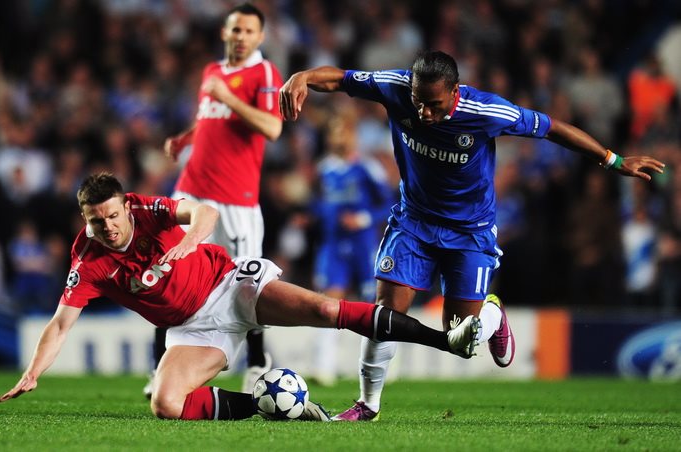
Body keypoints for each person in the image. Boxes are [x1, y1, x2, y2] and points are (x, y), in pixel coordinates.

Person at [279, 50, 666, 421]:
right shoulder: (394, 86)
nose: (424, 113)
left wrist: (612, 159)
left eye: (434, 105)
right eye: (418, 102)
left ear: (454, 91)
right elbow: (340, 78)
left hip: (469, 232)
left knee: (458, 337)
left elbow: (552, 128)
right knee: (386, 311)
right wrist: (303, 77)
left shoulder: (486, 111)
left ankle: (493, 316)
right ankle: (368, 404)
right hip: (413, 222)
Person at [0, 172, 481, 421]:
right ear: (85, 220)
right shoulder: (87, 260)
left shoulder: (146, 210)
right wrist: (33, 373)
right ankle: (279, 407)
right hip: (192, 329)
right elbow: (61, 323)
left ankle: (446, 340)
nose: (107, 226)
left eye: (112, 215)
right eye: (95, 220)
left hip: (231, 287)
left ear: (124, 207)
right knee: (166, 403)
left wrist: (189, 241)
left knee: (325, 309)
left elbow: (205, 212)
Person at [157, 3, 283, 395]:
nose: (241, 37)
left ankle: (258, 361)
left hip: (235, 199)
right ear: (224, 33)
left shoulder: (264, 73)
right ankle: (161, 365)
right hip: (192, 190)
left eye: (249, 31)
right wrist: (186, 138)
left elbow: (272, 127)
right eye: (236, 30)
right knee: (172, 271)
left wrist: (229, 97)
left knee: (247, 284)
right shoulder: (212, 71)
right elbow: (210, 118)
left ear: (260, 37)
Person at [308, 111, 394, 385]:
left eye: (342, 131)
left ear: (352, 135)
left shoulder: (368, 168)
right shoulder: (324, 169)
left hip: (363, 244)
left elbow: (389, 204)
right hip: (333, 245)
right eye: (333, 132)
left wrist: (364, 218)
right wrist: (311, 214)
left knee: (372, 303)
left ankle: (380, 364)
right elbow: (318, 203)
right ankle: (325, 368)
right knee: (329, 303)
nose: (337, 138)